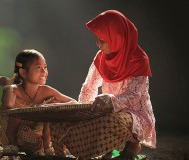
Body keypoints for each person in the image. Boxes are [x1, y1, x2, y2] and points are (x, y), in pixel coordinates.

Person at [49, 10, 156, 159]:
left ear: (117, 38)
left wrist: (111, 100)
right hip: (109, 109)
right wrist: (82, 112)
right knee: (79, 122)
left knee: (112, 121)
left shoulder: (138, 59)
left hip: (134, 113)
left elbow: (134, 94)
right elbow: (89, 87)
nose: (97, 43)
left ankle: (131, 144)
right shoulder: (101, 57)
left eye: (102, 40)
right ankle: (108, 150)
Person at [0, 49, 77, 156]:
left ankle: (46, 146)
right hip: (17, 135)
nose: (44, 72)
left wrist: (54, 105)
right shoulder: (13, 90)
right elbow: (8, 105)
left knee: (49, 113)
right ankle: (13, 145)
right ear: (23, 72)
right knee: (16, 115)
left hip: (40, 138)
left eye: (45, 67)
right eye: (39, 68)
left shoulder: (46, 91)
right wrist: (8, 84)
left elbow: (74, 102)